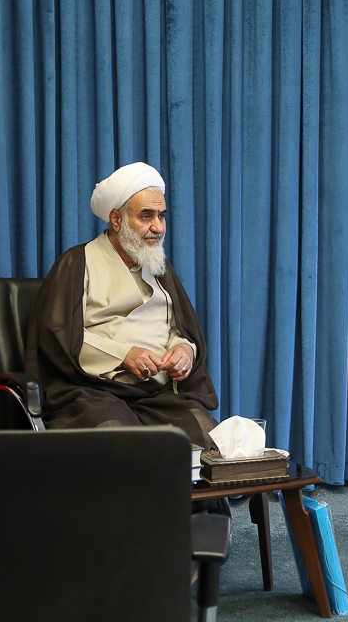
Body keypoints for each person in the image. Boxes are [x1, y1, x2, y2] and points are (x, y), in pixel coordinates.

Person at [25, 162, 219, 448]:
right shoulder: (77, 262)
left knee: (206, 442)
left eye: (161, 216)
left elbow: (180, 330)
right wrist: (123, 355)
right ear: (116, 219)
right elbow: (59, 337)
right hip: (93, 392)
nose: (158, 227)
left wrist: (185, 350)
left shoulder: (160, 267)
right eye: (146, 216)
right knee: (124, 447)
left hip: (158, 393)